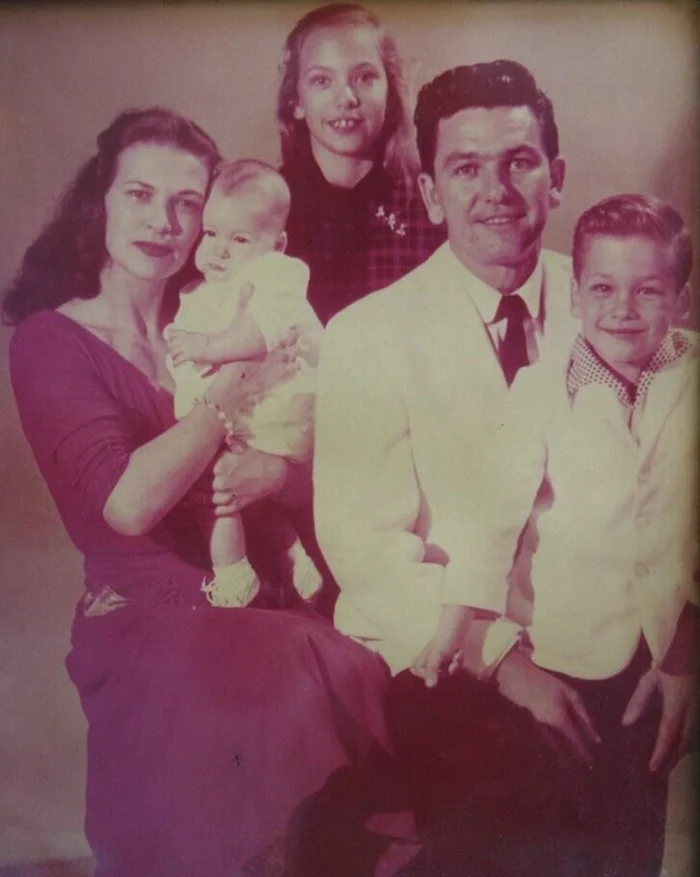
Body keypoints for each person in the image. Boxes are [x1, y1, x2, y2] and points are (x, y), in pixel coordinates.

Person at [4, 107, 418, 877]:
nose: (162, 221)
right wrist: (230, 388)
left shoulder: (226, 309)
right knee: (290, 674)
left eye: (186, 202)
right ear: (101, 200)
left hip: (261, 596)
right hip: (147, 623)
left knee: (368, 674)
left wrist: (281, 475)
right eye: (140, 194)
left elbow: (318, 465)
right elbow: (128, 505)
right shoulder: (51, 340)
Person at [314, 59, 578, 834]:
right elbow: (365, 549)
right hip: (440, 648)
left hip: (598, 635)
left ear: (557, 178)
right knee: (509, 793)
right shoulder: (367, 335)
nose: (495, 190)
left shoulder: (614, 304)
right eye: (465, 168)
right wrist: (506, 660)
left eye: (519, 162)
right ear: (431, 193)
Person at [410, 194, 698, 876]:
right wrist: (455, 626)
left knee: (633, 825)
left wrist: (686, 649)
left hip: (664, 651)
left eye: (648, 290)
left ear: (682, 300)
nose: (622, 309)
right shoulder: (541, 391)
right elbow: (487, 519)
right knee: (548, 824)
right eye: (602, 288)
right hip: (564, 647)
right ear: (574, 294)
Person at [164, 157, 324, 609]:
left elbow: (260, 333)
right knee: (235, 487)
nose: (219, 251)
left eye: (239, 239)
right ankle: (293, 557)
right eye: (211, 233)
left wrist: (206, 347)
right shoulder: (200, 292)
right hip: (243, 408)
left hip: (280, 403)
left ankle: (232, 574)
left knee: (217, 481)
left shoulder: (276, 273)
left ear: (278, 243)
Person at [277, 2, 446, 325]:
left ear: (390, 94)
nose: (346, 98)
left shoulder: (431, 211)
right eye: (321, 81)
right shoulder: (266, 208)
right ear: (295, 101)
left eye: (365, 77)